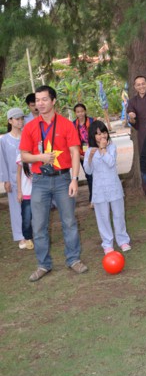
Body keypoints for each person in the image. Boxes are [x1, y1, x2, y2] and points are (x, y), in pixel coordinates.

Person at [20, 85, 88, 282]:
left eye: (44, 99)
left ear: (53, 101)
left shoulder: (66, 124)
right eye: (37, 100)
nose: (40, 103)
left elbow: (74, 152)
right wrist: (40, 157)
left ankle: (73, 259)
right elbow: (24, 155)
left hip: (63, 179)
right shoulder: (30, 127)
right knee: (38, 225)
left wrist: (74, 179)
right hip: (39, 181)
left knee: (69, 222)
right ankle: (43, 264)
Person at [84, 120, 131, 255]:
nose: (102, 136)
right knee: (103, 217)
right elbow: (88, 171)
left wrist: (103, 149)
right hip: (99, 190)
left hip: (114, 187)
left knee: (118, 215)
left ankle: (123, 240)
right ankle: (107, 243)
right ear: (93, 136)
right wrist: (90, 157)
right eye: (98, 134)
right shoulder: (89, 151)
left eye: (104, 132)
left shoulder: (112, 147)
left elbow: (110, 163)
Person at [0, 108, 26, 248]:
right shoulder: (4, 140)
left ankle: (32, 233)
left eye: (21, 118)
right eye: (17, 119)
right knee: (16, 208)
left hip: (28, 178)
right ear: (10, 121)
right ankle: (20, 236)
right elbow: (2, 161)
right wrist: (6, 180)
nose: (20, 121)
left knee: (32, 206)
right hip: (13, 178)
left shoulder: (26, 136)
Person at [73, 103, 94, 202]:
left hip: (93, 153)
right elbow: (72, 142)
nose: (80, 114)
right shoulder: (73, 125)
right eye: (78, 112)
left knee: (97, 174)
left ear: (85, 111)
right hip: (81, 155)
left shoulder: (92, 121)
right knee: (89, 175)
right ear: (75, 113)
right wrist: (79, 155)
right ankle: (92, 198)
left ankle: (100, 196)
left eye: (82, 111)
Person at [16, 154, 34, 250]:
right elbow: (18, 175)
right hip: (26, 193)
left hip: (39, 193)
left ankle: (40, 237)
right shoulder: (21, 156)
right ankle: (27, 238)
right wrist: (19, 191)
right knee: (26, 218)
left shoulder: (39, 152)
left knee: (40, 218)